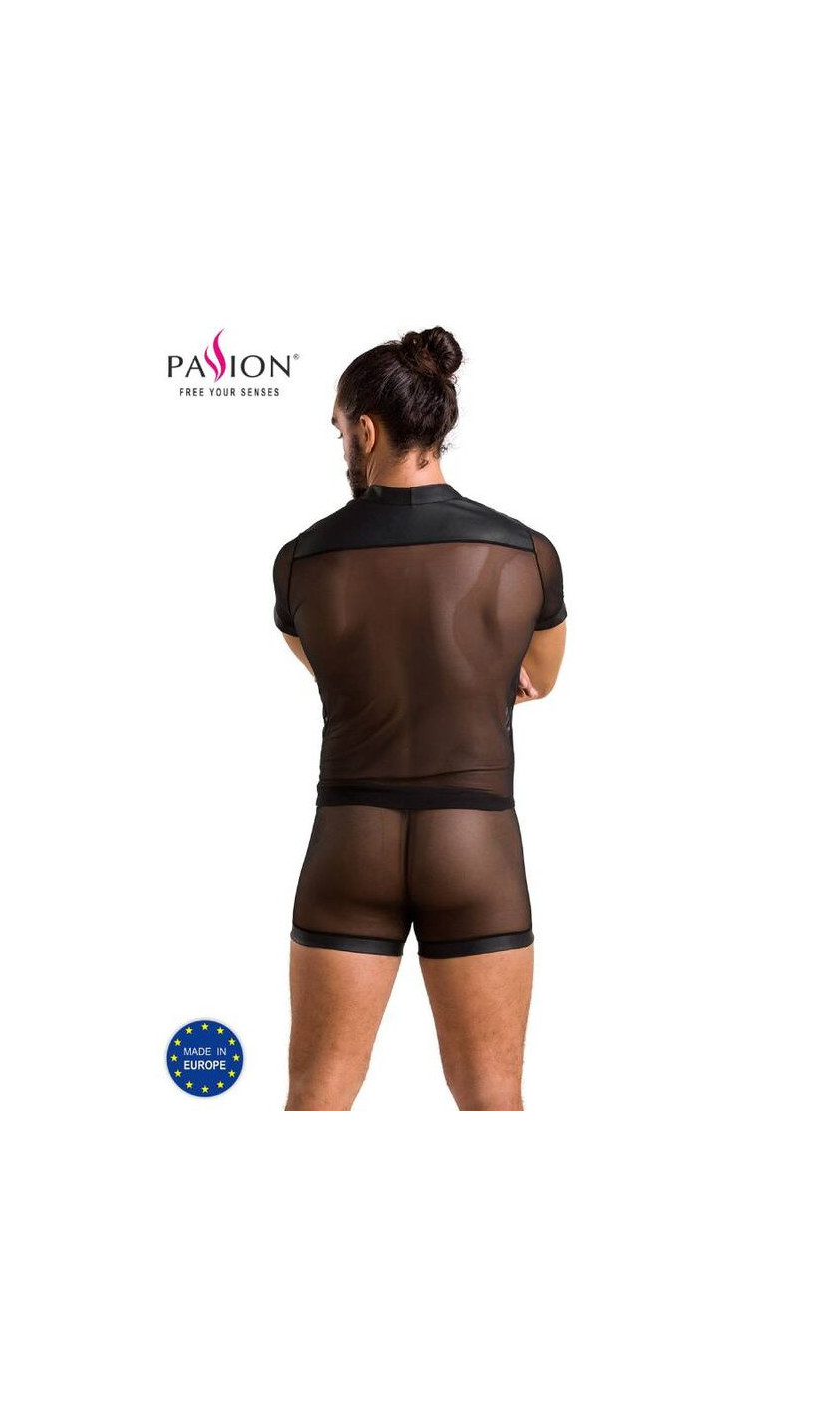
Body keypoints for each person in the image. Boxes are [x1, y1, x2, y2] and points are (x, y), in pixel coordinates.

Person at [273, 327, 567, 1111]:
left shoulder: (300, 560)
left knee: (317, 1097)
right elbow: (539, 678)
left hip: (350, 843)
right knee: (493, 1098)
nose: (342, 446)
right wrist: (478, 678)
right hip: (476, 848)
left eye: (340, 430)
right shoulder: (527, 553)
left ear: (367, 431)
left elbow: (330, 668)